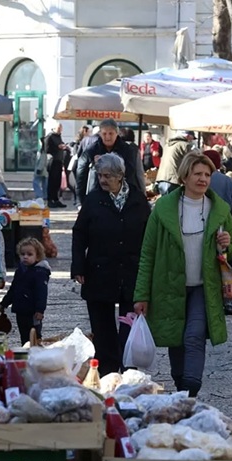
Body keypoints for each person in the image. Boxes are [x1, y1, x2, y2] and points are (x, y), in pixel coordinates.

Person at [134, 151, 232, 397]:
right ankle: (181, 386)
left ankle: (191, 389)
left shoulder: (219, 209)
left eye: (207, 174)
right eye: (198, 174)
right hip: (170, 284)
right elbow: (147, 253)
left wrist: (226, 245)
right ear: (185, 176)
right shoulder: (164, 208)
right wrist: (141, 295)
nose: (203, 179)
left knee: (194, 335)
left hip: (204, 286)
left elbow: (231, 251)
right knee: (176, 338)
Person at [71, 153, 150, 376]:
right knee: (102, 328)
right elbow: (80, 233)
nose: (103, 180)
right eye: (100, 175)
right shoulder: (94, 199)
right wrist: (78, 266)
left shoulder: (137, 199)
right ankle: (107, 373)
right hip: (99, 271)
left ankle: (128, 373)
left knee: (129, 329)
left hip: (130, 272)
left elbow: (148, 235)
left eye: (107, 176)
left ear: (120, 176)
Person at [0, 237, 51, 345]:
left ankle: (36, 354)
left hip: (33, 312)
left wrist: (40, 309)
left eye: (29, 254)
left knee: (34, 335)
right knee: (24, 336)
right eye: (23, 254)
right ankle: (26, 352)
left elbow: (41, 293)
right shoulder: (20, 271)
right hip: (21, 309)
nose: (25, 257)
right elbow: (13, 289)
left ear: (37, 256)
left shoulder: (39, 273)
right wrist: (4, 304)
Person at [79, 119, 144, 197]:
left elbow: (131, 171)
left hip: (123, 194)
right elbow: (81, 173)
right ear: (100, 134)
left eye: (111, 133)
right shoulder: (92, 150)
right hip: (98, 193)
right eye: (104, 134)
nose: (107, 137)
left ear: (117, 133)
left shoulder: (127, 149)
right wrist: (81, 199)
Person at [155, 130, 195, 196]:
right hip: (173, 180)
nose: (192, 141)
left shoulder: (168, 145)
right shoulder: (185, 145)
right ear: (188, 136)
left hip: (162, 178)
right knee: (171, 204)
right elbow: (193, 161)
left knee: (165, 203)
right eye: (192, 138)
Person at [45, 122, 68, 208]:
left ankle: (56, 199)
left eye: (60, 128)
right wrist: (57, 147)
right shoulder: (50, 136)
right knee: (52, 181)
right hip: (52, 161)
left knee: (57, 182)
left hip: (59, 161)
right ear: (54, 128)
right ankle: (50, 200)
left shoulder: (59, 136)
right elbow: (46, 149)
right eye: (58, 128)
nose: (59, 130)